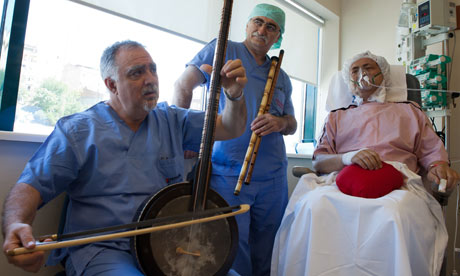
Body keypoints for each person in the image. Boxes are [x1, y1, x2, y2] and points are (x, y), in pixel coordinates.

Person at [2, 40, 248, 275]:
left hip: (168, 246)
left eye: (153, 70)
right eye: (136, 73)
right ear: (112, 85)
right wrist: (15, 224)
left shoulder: (171, 119)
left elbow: (230, 127)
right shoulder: (79, 131)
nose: (150, 79)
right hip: (102, 250)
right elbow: (31, 185)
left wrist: (235, 96)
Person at [271, 51, 460, 276]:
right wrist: (347, 157)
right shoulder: (337, 116)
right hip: (341, 181)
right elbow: (320, 161)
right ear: (348, 80)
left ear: (384, 74)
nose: (362, 73)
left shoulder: (410, 111)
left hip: (399, 183)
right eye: (355, 69)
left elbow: (433, 154)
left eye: (369, 67)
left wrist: (439, 168)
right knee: (315, 205)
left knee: (393, 213)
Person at [173, 3, 297, 275]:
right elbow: (183, 85)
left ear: (278, 36)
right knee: (230, 245)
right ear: (248, 24)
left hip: (273, 176)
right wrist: (187, 139)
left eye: (271, 26)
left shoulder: (282, 77)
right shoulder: (224, 49)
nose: (262, 29)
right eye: (258, 21)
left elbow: (292, 124)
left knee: (269, 244)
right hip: (227, 173)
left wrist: (280, 122)